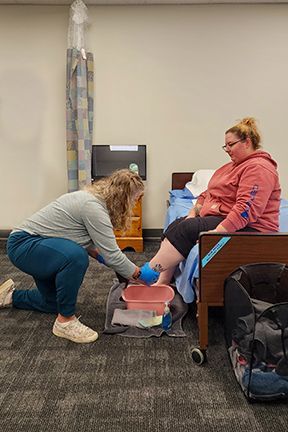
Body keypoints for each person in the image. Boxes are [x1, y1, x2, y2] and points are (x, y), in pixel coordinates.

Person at [0, 169, 160, 344]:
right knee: (76, 256)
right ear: (122, 198)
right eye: (134, 198)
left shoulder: (93, 200)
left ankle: (9, 296)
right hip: (24, 245)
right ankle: (65, 322)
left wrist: (121, 270)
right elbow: (112, 255)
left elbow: (94, 247)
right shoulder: (93, 207)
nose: (134, 202)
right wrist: (139, 274)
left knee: (53, 303)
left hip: (42, 248)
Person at [147, 117, 281, 285]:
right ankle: (162, 281)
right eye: (225, 146)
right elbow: (207, 192)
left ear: (247, 142)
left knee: (187, 229)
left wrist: (218, 232)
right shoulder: (230, 167)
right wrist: (193, 211)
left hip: (251, 228)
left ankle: (147, 274)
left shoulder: (258, 168)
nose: (227, 150)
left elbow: (246, 209)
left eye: (231, 145)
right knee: (177, 224)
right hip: (224, 217)